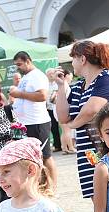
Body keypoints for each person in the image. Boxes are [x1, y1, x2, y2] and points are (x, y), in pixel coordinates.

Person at [54, 41, 109, 198]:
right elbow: (63, 116)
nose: (71, 63)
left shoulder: (107, 77)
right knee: (99, 203)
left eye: (73, 58)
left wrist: (73, 124)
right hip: (89, 154)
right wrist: (61, 86)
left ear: (82, 59)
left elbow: (91, 110)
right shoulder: (80, 85)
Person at [10, 52, 58, 190]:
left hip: (38, 122)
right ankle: (40, 186)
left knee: (45, 156)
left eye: (19, 64)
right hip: (26, 124)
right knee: (32, 158)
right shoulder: (27, 77)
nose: (18, 68)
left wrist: (19, 94)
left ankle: (52, 187)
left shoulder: (37, 75)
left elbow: (42, 96)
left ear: (27, 61)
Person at [58, 70, 76, 155]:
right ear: (66, 75)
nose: (71, 77)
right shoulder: (64, 85)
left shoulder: (61, 85)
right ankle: (71, 147)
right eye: (70, 75)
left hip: (59, 110)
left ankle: (64, 147)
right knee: (67, 130)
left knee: (64, 130)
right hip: (64, 110)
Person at [45, 68, 62, 152]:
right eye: (50, 74)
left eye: (53, 73)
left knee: (62, 126)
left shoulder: (57, 83)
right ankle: (57, 145)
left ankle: (65, 144)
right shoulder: (45, 84)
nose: (52, 75)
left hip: (58, 107)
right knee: (53, 127)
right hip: (48, 109)